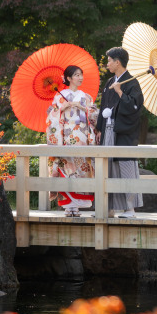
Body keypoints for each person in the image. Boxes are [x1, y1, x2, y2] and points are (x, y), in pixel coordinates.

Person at [96, 46, 144, 218]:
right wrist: (100, 129)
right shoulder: (110, 82)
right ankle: (107, 209)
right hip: (108, 130)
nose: (107, 63)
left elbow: (135, 107)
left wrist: (120, 92)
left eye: (109, 60)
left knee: (125, 168)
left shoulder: (131, 83)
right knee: (107, 168)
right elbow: (103, 107)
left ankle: (129, 209)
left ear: (117, 62)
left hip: (123, 132)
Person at [46, 65, 99, 217]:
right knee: (67, 168)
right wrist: (61, 108)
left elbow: (95, 116)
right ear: (68, 78)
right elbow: (51, 117)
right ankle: (69, 207)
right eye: (76, 75)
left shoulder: (86, 97)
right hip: (66, 137)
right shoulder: (59, 97)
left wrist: (84, 108)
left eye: (81, 74)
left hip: (83, 136)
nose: (80, 78)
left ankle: (79, 205)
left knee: (82, 168)